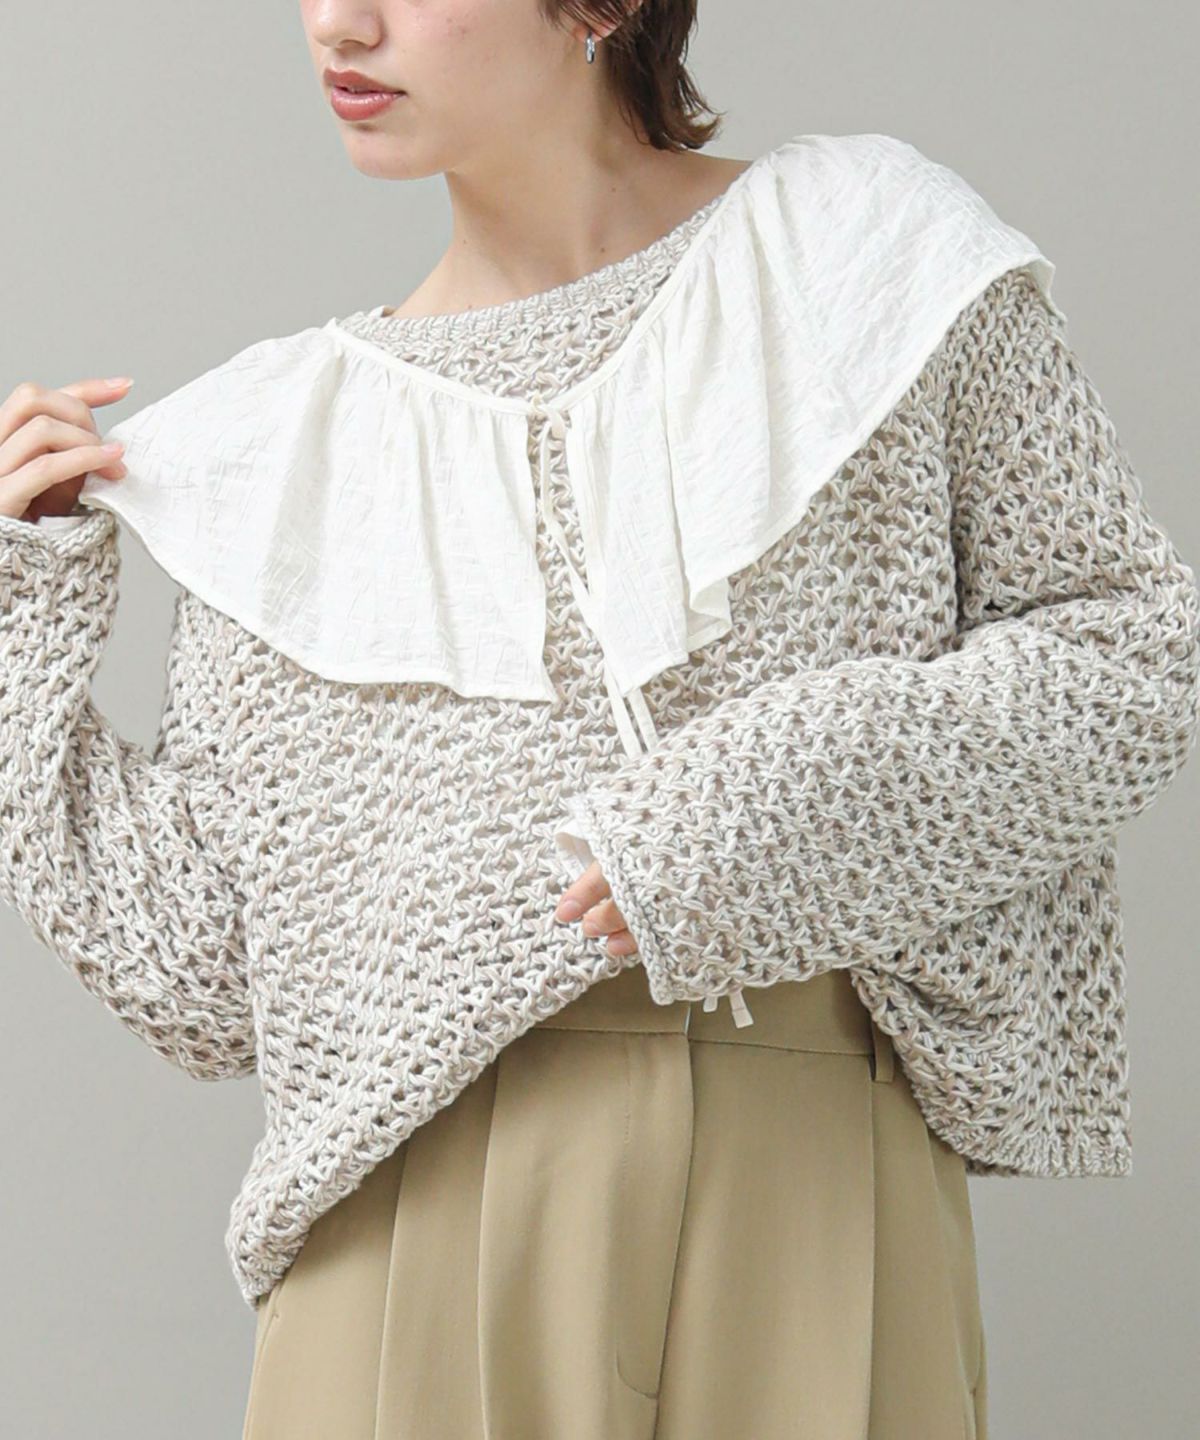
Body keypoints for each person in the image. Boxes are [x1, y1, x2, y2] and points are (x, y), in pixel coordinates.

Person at [2, 3, 1198, 1438]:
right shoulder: (284, 447)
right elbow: (203, 979)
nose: (339, 24)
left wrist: (760, 815)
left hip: (805, 1176)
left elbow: (1129, 657)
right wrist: (21, 620)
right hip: (412, 1221)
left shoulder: (866, 255)